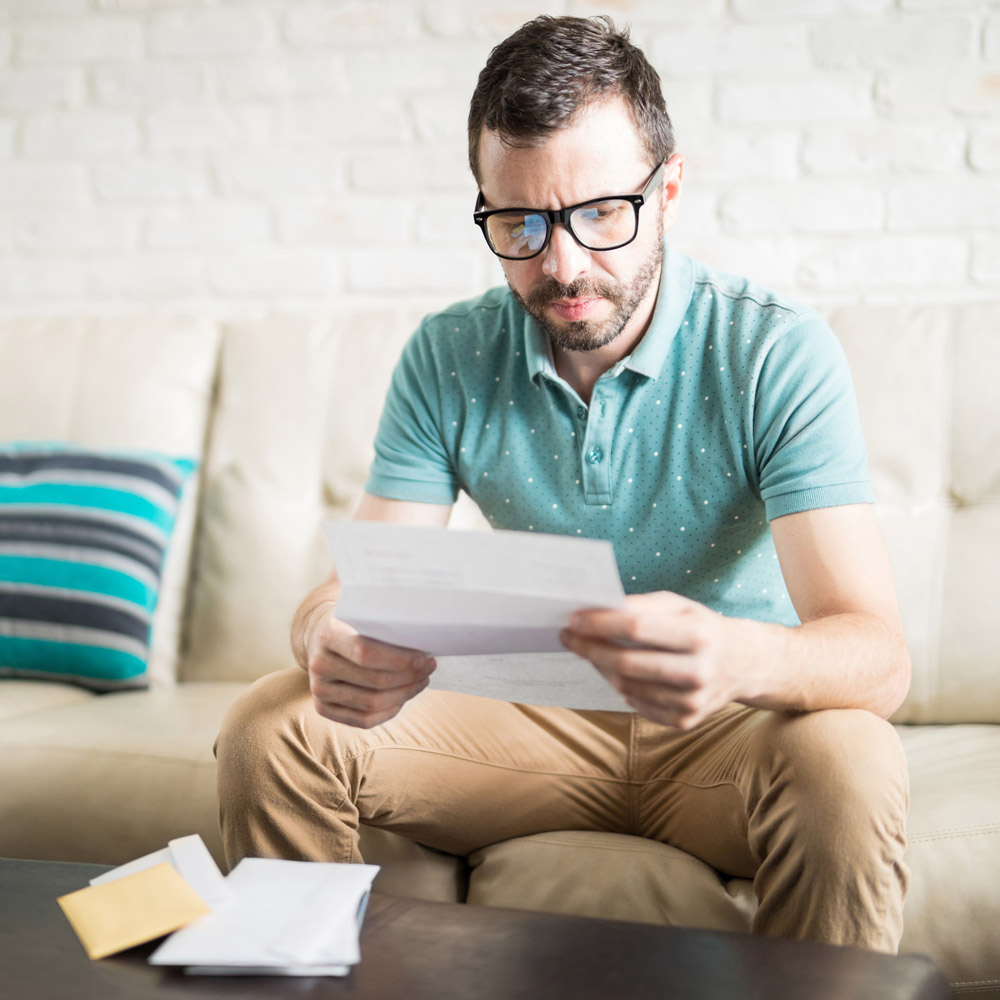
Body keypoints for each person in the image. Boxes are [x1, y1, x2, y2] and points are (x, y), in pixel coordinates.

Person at [216, 15, 910, 952]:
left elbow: (878, 656)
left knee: (852, 756)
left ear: (667, 191)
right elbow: (351, 594)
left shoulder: (773, 351)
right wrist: (324, 636)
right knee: (271, 724)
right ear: (487, 208)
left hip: (726, 728)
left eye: (600, 213)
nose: (563, 263)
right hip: (529, 730)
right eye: (521, 223)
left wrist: (741, 657)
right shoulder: (449, 353)